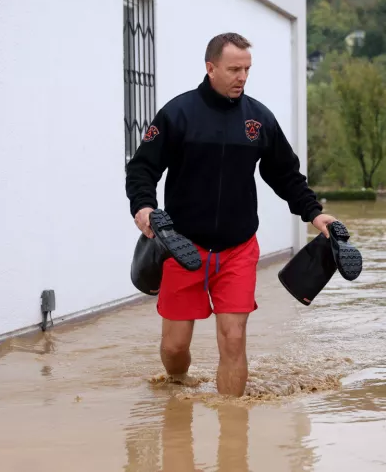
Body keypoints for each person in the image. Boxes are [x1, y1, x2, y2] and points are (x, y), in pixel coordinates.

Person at [125, 32, 337, 397]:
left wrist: (315, 215)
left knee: (234, 338)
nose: (242, 76)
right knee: (175, 348)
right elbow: (142, 168)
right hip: (182, 246)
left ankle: (233, 430)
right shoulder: (178, 114)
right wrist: (143, 207)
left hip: (238, 249)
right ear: (211, 68)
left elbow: (286, 175)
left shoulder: (259, 119)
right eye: (234, 69)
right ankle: (176, 385)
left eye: (247, 69)